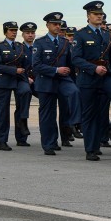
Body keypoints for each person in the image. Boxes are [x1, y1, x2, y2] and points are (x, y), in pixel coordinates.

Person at [71, 1, 111, 161]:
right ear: (88, 16)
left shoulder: (106, 34)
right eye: (96, 14)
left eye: (101, 14)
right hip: (88, 79)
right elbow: (76, 58)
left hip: (106, 77)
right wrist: (93, 68)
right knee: (90, 115)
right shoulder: (81, 34)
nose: (99, 17)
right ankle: (91, 148)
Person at [33, 12, 82, 156]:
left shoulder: (65, 43)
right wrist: (55, 70)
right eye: (54, 24)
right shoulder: (40, 43)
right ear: (47, 25)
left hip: (63, 80)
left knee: (74, 92)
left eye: (59, 24)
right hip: (46, 81)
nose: (57, 26)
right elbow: (36, 66)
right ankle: (49, 144)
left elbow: (71, 65)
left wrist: (74, 80)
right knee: (48, 115)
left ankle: (76, 122)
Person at [0, 21, 33, 151]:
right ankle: (2, 141)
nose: (14, 32)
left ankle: (22, 128)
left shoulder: (20, 46)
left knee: (26, 92)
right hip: (4, 81)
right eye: (11, 30)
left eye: (15, 30)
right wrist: (14, 70)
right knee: (3, 112)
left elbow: (27, 63)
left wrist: (26, 75)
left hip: (19, 79)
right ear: (5, 31)